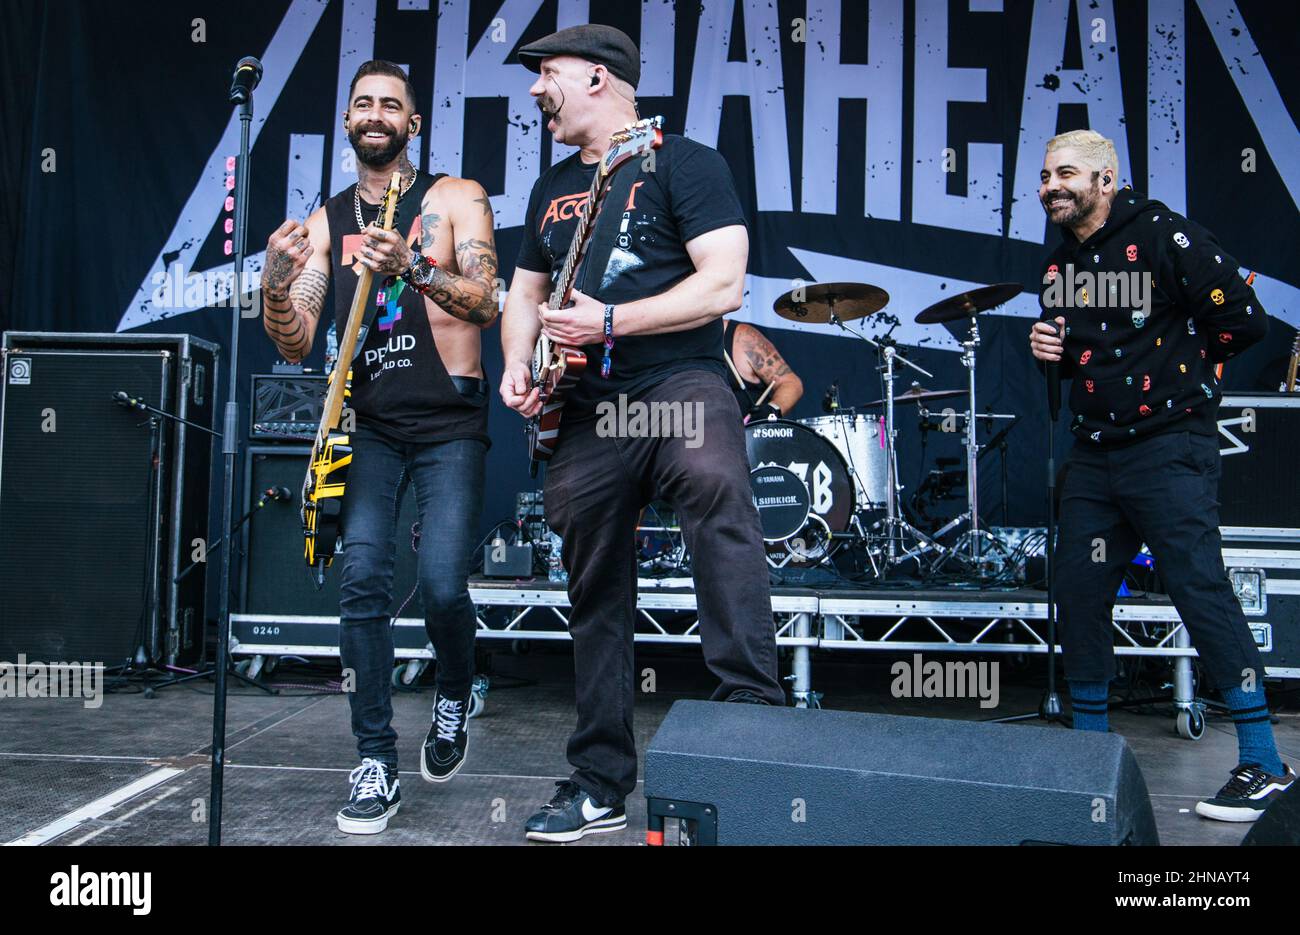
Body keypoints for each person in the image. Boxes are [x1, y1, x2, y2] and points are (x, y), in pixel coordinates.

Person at [498, 24, 785, 843]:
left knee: (717, 492)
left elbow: (723, 281)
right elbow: (525, 292)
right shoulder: (551, 187)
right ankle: (599, 779)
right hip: (589, 405)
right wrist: (520, 360)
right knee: (591, 575)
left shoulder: (683, 163)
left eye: (546, 74)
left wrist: (615, 318)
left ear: (597, 77)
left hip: (677, 381)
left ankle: (753, 724)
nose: (534, 90)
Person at [260, 60, 499, 834]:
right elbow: (296, 342)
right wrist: (273, 284)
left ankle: (456, 690)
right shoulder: (327, 221)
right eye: (361, 103)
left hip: (450, 423)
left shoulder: (456, 198)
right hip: (371, 428)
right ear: (348, 120)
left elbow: (488, 302)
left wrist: (416, 266)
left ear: (412, 123)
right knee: (361, 579)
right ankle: (374, 758)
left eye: (389, 104)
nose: (374, 114)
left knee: (440, 587)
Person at [1028, 129, 1290, 822]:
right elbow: (1071, 357)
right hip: (1094, 451)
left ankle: (1263, 760)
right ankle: (1088, 757)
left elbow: (1244, 319)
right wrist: (1044, 348)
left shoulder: (1163, 235)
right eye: (1046, 174)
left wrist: (1182, 362)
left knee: (1198, 587)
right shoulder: (1057, 269)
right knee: (1078, 589)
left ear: (1106, 181)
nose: (1051, 184)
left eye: (1067, 173)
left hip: (1169, 445)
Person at [722, 317, 804, 422]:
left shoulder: (743, 337)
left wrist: (772, 410)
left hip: (748, 434)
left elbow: (791, 383)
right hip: (703, 432)